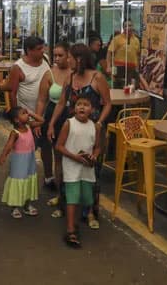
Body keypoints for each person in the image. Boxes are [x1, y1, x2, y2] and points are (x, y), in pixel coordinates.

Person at [48, 43, 112, 229]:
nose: (67, 61)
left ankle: (90, 211)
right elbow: (61, 103)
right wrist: (52, 124)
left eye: (69, 57)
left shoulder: (97, 78)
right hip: (71, 130)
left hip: (92, 131)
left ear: (79, 59)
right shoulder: (70, 77)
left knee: (91, 170)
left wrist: (99, 122)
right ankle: (65, 204)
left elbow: (107, 103)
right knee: (69, 168)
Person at [56, 95, 102, 248]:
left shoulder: (95, 127)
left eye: (86, 104)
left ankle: (81, 216)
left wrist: (94, 156)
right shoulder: (69, 124)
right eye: (79, 104)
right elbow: (59, 146)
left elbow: (97, 146)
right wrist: (74, 157)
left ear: (92, 109)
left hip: (87, 169)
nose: (82, 107)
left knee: (87, 198)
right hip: (71, 167)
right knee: (72, 198)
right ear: (74, 108)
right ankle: (70, 230)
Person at [0, 106, 44, 218]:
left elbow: (42, 121)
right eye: (24, 113)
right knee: (18, 182)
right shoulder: (15, 133)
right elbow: (9, 145)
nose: (27, 114)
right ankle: (15, 206)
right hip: (19, 162)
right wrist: (3, 156)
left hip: (29, 160)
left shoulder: (29, 126)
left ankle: (27, 205)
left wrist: (31, 113)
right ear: (17, 120)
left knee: (28, 180)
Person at [39, 42, 70, 197]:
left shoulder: (75, 74)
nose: (57, 58)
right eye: (55, 55)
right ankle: (57, 186)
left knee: (68, 154)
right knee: (54, 152)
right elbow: (41, 100)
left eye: (60, 55)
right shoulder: (49, 74)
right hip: (52, 115)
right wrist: (38, 120)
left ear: (69, 55)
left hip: (71, 116)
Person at [4, 36, 51, 114]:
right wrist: (17, 115)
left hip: (45, 113)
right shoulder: (18, 67)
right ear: (29, 50)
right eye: (39, 49)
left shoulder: (45, 59)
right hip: (27, 115)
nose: (43, 51)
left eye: (43, 48)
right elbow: (12, 93)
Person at [106, 20, 141, 87]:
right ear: (123, 28)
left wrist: (137, 68)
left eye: (130, 25)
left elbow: (138, 55)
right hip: (118, 68)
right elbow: (109, 52)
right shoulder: (117, 39)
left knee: (131, 88)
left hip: (132, 68)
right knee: (118, 87)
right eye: (126, 26)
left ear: (133, 27)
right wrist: (108, 66)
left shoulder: (136, 40)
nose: (128, 27)